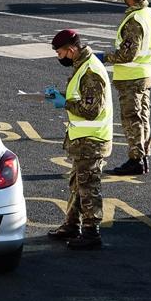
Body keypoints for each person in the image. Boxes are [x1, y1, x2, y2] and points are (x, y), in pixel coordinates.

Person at [44, 29, 113, 250]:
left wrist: (64, 103)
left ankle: (92, 232)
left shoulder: (91, 71)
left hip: (92, 140)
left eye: (60, 52)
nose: (59, 57)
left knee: (88, 186)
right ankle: (71, 225)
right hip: (82, 140)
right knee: (77, 184)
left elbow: (91, 110)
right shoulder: (83, 65)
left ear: (71, 50)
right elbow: (82, 97)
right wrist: (63, 95)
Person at [102, 0, 151, 176]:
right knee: (143, 117)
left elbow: (127, 54)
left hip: (132, 78)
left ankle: (136, 159)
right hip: (146, 74)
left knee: (131, 119)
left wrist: (104, 57)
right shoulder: (149, 14)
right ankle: (143, 157)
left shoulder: (135, 20)